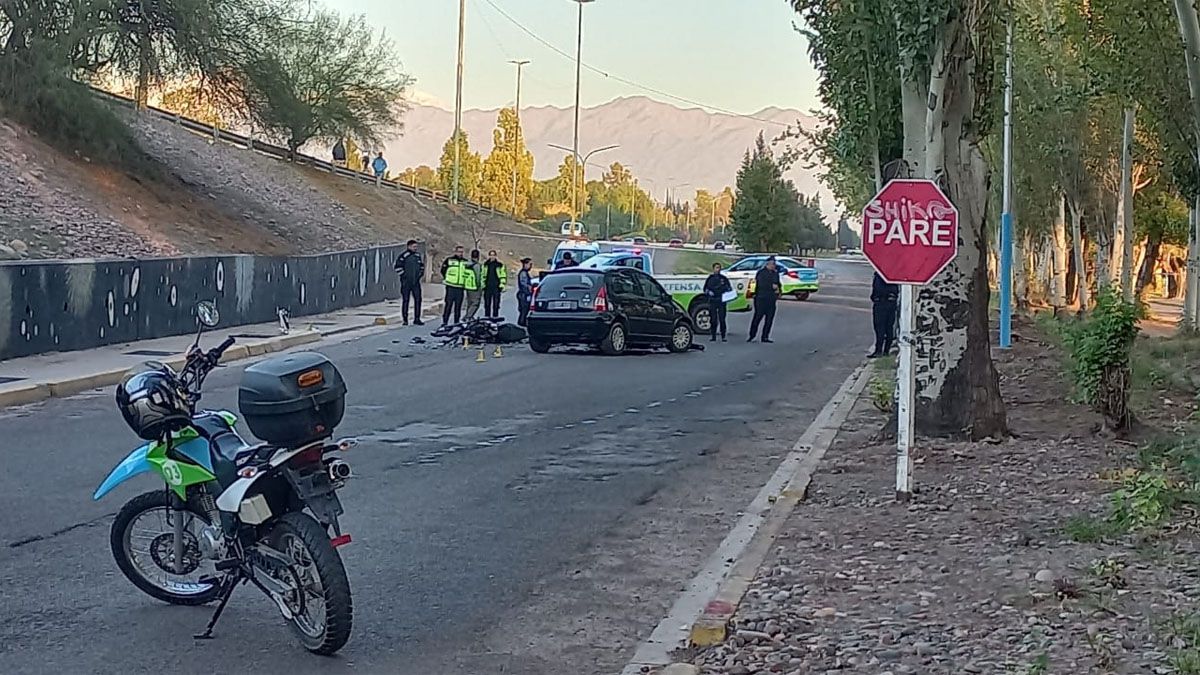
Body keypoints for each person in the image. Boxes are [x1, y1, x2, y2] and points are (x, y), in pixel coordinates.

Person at [748, 256, 781, 343]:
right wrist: (771, 286)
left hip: (771, 299)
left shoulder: (775, 273)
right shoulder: (761, 273)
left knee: (769, 319)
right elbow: (761, 284)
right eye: (772, 264)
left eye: (774, 264)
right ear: (767, 264)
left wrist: (779, 291)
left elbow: (778, 284)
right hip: (761, 298)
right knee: (757, 317)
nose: (774, 266)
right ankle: (752, 335)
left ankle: (765, 336)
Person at [393, 239, 425, 326]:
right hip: (406, 283)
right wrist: (404, 276)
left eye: (416, 247)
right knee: (406, 300)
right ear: (409, 246)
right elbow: (397, 267)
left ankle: (417, 319)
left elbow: (421, 266)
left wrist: (420, 275)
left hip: (416, 282)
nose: (415, 248)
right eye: (414, 247)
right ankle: (405, 319)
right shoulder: (403, 256)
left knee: (418, 300)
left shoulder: (417, 256)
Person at [869, 272, 900, 358]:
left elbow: (877, 289)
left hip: (881, 303)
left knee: (880, 327)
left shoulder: (879, 274)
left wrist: (875, 298)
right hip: (891, 302)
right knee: (889, 327)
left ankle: (879, 350)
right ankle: (886, 350)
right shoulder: (894, 273)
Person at [703, 261, 733, 342]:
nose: (718, 269)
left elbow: (729, 288)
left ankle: (723, 336)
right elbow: (705, 289)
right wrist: (709, 292)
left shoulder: (724, 278)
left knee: (722, 319)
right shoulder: (710, 278)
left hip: (721, 301)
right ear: (713, 269)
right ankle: (713, 336)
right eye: (716, 268)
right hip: (713, 301)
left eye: (719, 268)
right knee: (713, 319)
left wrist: (728, 291)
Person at [440, 245, 468, 325]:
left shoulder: (465, 262)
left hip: (460, 287)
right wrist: (447, 278)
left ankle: (456, 322)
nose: (460, 253)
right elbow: (443, 270)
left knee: (458, 306)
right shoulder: (449, 260)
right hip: (451, 287)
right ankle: (445, 322)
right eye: (459, 252)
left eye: (462, 252)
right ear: (455, 252)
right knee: (448, 305)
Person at [482, 250, 507, 319]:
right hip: (487, 286)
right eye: (491, 255)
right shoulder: (485, 265)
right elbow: (482, 275)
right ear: (489, 256)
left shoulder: (500, 265)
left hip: (496, 286)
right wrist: (483, 285)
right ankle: (487, 317)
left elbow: (503, 275)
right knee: (487, 304)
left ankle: (495, 317)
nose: (492, 257)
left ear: (495, 256)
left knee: (496, 304)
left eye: (493, 255)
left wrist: (502, 285)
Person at [462, 249, 484, 320]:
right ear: (478, 257)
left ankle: (469, 316)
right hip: (475, 287)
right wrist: (479, 286)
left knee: (470, 303)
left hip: (468, 286)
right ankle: (468, 317)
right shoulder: (477, 266)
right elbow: (477, 277)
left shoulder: (467, 265)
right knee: (475, 303)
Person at [516, 257, 534, 327]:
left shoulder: (525, 273)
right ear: (525, 264)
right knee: (524, 310)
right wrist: (529, 290)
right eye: (530, 264)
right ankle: (522, 324)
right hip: (523, 295)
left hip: (524, 295)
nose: (531, 266)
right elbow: (524, 285)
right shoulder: (523, 273)